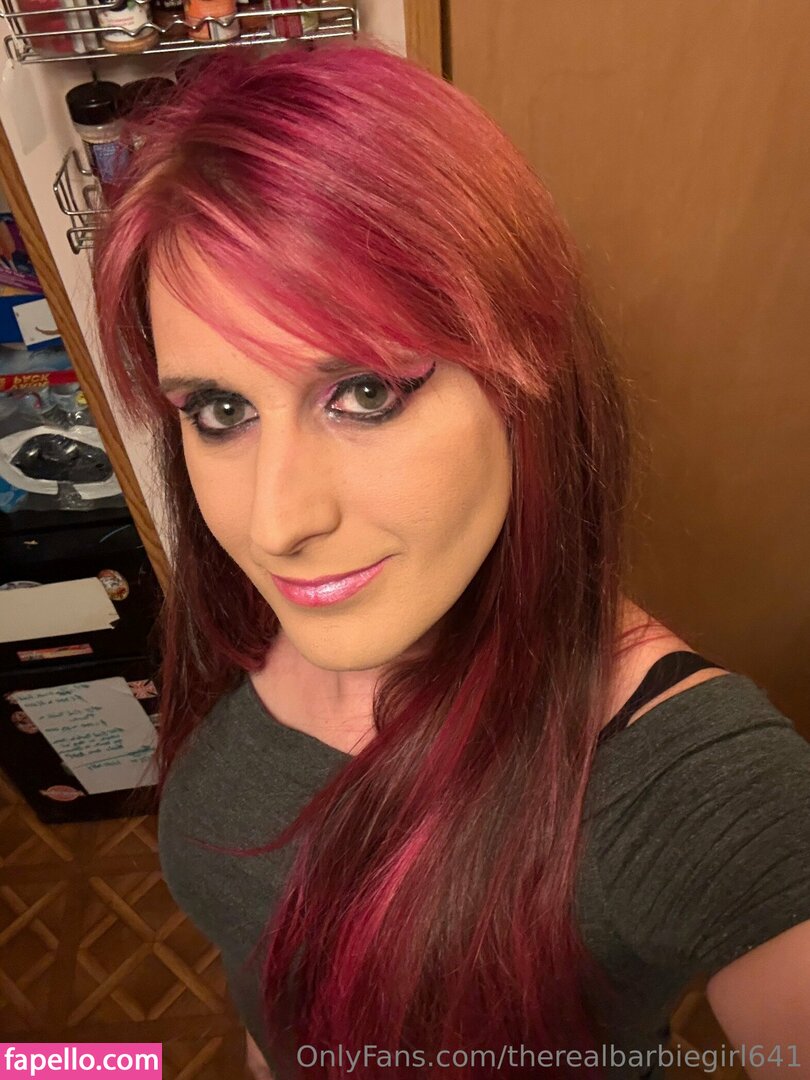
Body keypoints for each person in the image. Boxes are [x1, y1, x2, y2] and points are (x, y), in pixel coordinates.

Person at [90, 39, 810, 1080]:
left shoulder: (683, 782)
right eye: (220, 410)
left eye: (364, 392)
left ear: (525, 366)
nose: (277, 523)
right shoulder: (259, 615)